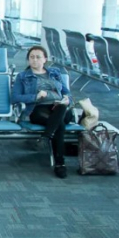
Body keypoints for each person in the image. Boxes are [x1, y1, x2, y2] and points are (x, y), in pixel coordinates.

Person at [11, 46, 73, 178]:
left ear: (45, 59)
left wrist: (67, 99)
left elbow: (67, 93)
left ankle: (45, 137)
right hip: (39, 110)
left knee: (61, 108)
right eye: (31, 57)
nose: (35, 60)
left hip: (60, 108)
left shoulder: (55, 73)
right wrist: (36, 97)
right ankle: (60, 164)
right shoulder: (23, 77)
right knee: (59, 125)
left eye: (38, 57)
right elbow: (15, 97)